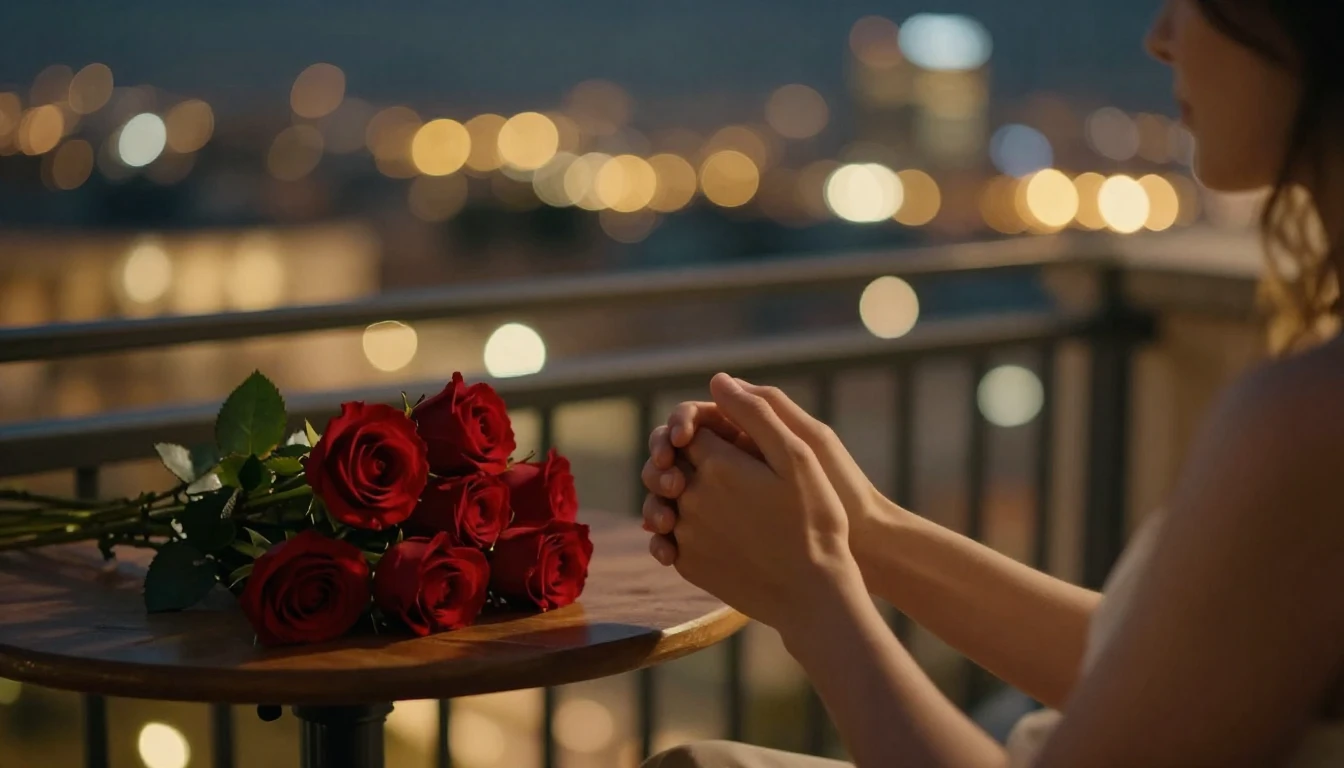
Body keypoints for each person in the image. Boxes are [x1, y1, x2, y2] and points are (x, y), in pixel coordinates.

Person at [638, 1, 1344, 765]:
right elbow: (1171, 679)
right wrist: (866, 528)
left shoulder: (1308, 416)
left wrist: (812, 598)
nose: (1159, 39)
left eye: (1192, 4)